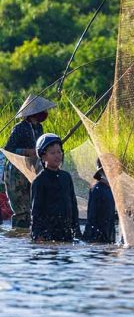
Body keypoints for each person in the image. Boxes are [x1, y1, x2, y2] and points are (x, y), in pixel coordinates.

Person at [3, 95, 55, 228]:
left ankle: (28, 233)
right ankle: (18, 234)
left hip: (31, 169)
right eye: (42, 111)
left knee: (32, 205)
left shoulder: (39, 128)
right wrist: (27, 151)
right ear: (33, 113)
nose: (45, 114)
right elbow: (9, 149)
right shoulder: (19, 128)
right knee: (21, 208)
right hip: (16, 171)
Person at [30, 134, 81, 242]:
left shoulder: (66, 177)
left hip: (66, 232)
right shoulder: (39, 181)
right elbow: (36, 211)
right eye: (52, 153)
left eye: (59, 152)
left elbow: (73, 205)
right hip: (48, 233)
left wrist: (76, 230)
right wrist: (37, 235)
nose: (57, 156)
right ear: (43, 157)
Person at [82, 160, 116, 243]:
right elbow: (92, 216)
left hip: (108, 234)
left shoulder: (110, 190)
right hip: (96, 237)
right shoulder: (97, 189)